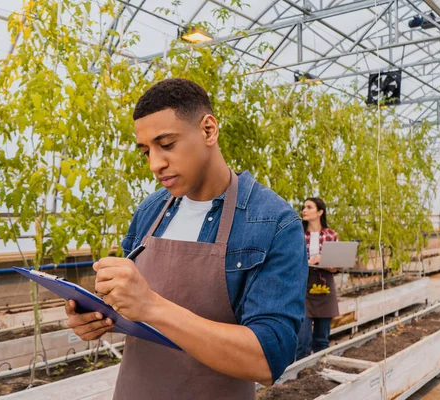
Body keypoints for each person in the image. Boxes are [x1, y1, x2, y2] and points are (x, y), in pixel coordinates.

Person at [64, 78, 308, 399]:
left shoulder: (273, 223)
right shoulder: (151, 211)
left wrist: (152, 307)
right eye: (146, 151)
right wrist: (98, 317)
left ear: (208, 130)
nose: (155, 164)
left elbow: (267, 360)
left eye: (166, 145)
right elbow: (129, 307)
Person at [296, 197, 339, 360]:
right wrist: (309, 261)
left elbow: (336, 267)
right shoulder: (298, 235)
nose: (304, 210)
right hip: (304, 287)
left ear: (320, 212)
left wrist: (328, 262)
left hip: (325, 286)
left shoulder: (331, 235)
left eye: (309, 207)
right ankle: (301, 375)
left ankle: (320, 375)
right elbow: (291, 260)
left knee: (322, 340)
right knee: (302, 340)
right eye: (303, 207)